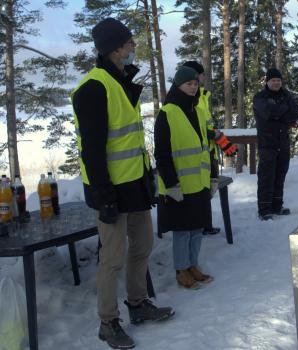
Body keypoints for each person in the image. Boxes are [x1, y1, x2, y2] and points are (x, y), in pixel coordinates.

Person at [71, 18, 174, 349]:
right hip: (110, 191)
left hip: (135, 185)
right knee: (112, 258)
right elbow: (93, 150)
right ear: (115, 48)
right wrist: (104, 197)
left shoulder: (121, 81)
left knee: (142, 247)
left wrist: (147, 180)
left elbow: (127, 142)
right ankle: (108, 322)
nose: (133, 48)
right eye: (129, 43)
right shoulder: (93, 88)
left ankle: (138, 304)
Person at [154, 66, 216, 289]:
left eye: (195, 84)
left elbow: (206, 147)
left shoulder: (197, 111)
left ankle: (193, 265)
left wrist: (213, 177)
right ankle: (181, 270)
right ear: (178, 85)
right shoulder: (167, 113)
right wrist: (171, 184)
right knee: (182, 231)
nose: (193, 87)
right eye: (188, 84)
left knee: (197, 228)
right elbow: (161, 154)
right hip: (178, 185)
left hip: (199, 182)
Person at [181, 60, 237, 235]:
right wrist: (217, 137)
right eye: (203, 74)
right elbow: (200, 128)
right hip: (198, 155)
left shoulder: (202, 96)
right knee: (201, 191)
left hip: (209, 151)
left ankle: (205, 224)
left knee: (208, 189)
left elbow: (208, 125)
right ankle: (200, 225)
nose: (205, 77)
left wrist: (221, 141)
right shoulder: (194, 99)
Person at [252, 68, 298, 220]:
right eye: (273, 80)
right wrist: (285, 114)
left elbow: (297, 112)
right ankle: (264, 209)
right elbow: (268, 112)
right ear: (267, 81)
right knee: (267, 176)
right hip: (267, 143)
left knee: (280, 175)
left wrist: (280, 113)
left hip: (283, 142)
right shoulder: (260, 97)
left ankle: (276, 206)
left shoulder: (285, 95)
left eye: (278, 80)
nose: (276, 83)